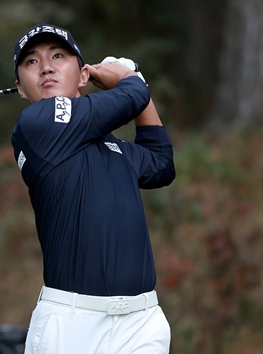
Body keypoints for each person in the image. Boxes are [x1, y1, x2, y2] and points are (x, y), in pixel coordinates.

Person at [11, 23, 176, 353]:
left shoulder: (112, 147)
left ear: (83, 75)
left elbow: (161, 163)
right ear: (20, 88)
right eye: (31, 61)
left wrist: (136, 85)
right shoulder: (38, 124)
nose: (46, 67)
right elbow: (132, 96)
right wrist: (129, 78)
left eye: (58, 56)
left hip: (140, 322)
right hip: (71, 324)